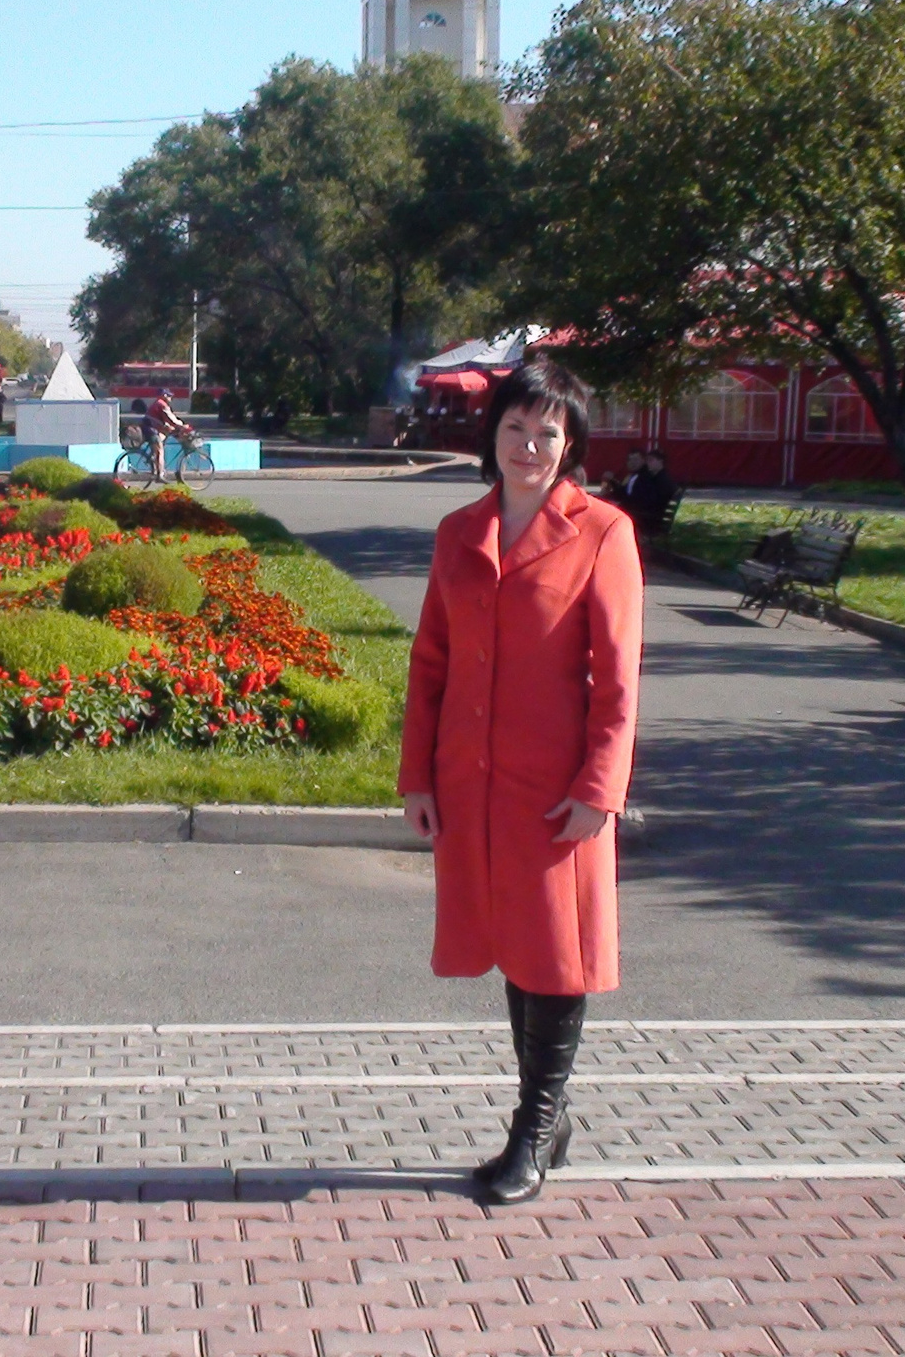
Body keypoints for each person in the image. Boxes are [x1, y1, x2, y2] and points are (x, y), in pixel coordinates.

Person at [400, 358, 644, 1205]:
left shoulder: (604, 533)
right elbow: (428, 664)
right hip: (470, 783)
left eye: (548, 431)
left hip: (558, 791)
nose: (529, 445)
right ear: (492, 433)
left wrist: (599, 787)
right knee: (516, 949)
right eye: (515, 427)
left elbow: (618, 678)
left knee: (558, 956)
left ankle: (536, 1126)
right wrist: (417, 777)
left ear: (571, 443)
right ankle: (549, 1117)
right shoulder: (459, 533)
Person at [142, 391, 195, 479]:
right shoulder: (162, 404)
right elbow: (172, 419)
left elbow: (166, 420)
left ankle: (153, 458)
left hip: (150, 428)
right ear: (164, 395)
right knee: (160, 450)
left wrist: (174, 427)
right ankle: (160, 475)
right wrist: (183, 425)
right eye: (170, 396)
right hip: (151, 430)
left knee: (166, 435)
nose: (171, 398)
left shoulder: (158, 403)